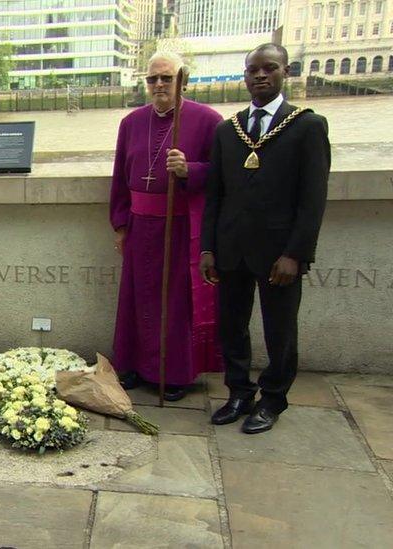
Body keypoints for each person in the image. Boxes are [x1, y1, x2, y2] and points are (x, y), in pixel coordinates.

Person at [203, 44, 329, 434]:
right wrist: (208, 248)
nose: (260, 75)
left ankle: (273, 398)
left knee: (280, 329)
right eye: (252, 70)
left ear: (284, 72)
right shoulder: (228, 130)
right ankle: (239, 391)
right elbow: (215, 196)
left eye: (269, 68)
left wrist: (295, 253)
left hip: (279, 254)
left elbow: (313, 200)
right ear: (244, 75)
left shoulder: (307, 125)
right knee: (231, 326)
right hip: (231, 250)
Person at [109, 51, 225, 401]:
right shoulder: (131, 123)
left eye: (166, 77)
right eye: (152, 78)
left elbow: (223, 173)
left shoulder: (208, 120)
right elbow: (119, 178)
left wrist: (192, 169)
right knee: (135, 298)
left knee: (174, 303)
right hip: (140, 225)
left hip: (179, 226)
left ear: (181, 81)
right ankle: (131, 366)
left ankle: (173, 374)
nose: (159, 84)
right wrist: (120, 224)